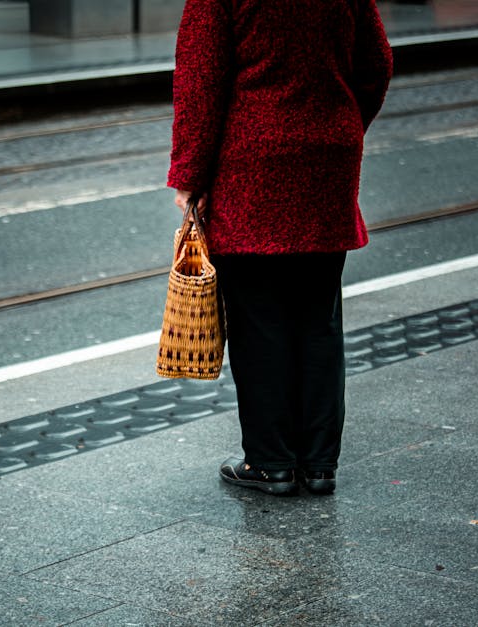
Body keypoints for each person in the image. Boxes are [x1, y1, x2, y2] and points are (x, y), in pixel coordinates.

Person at [168, 0, 393, 496]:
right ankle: (318, 465)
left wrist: (189, 175)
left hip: (251, 160)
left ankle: (270, 462)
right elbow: (377, 64)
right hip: (328, 158)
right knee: (319, 317)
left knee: (258, 320)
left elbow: (200, 84)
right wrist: (340, 123)